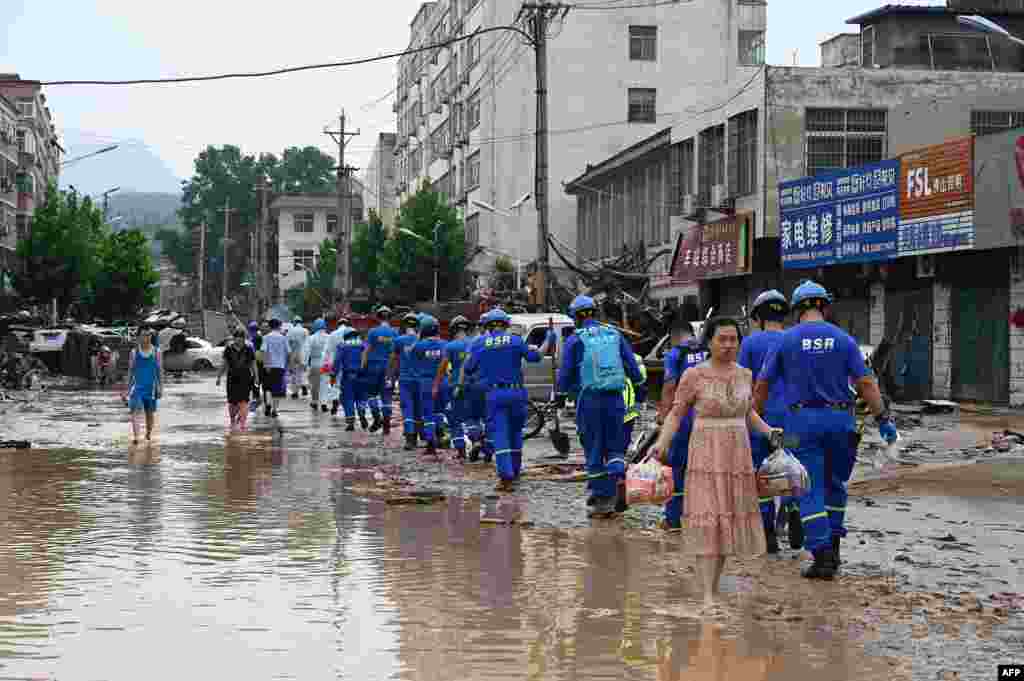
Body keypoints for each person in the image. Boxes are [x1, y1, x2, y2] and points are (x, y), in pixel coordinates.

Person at [755, 281, 898, 580]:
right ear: (825, 306)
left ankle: (822, 556)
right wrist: (884, 421)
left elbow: (763, 385)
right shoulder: (844, 340)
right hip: (841, 422)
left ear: (796, 310)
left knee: (808, 486)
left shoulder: (785, 341)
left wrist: (752, 417)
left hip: (802, 423)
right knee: (836, 485)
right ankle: (833, 544)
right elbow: (867, 384)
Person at [650, 316, 778, 613]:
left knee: (724, 523)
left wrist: (770, 432)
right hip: (706, 452)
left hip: (737, 453)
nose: (728, 345)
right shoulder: (695, 375)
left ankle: (713, 588)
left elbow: (748, 414)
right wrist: (663, 442)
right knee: (708, 520)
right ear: (709, 341)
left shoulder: (746, 375)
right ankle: (707, 594)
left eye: (733, 339)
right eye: (722, 339)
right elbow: (676, 413)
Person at [556, 295, 643, 517]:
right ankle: (618, 487)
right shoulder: (615, 335)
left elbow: (565, 374)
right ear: (595, 313)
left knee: (594, 447)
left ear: (575, 317)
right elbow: (633, 368)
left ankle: (602, 500)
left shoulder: (575, 340)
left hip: (589, 401)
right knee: (615, 448)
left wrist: (560, 394)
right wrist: (640, 390)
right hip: (616, 399)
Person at [465, 308, 555, 490]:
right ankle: (515, 470)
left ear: (488, 326)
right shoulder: (515, 340)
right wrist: (548, 339)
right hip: (517, 394)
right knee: (515, 433)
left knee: (500, 434)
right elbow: (536, 357)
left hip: (495, 395)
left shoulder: (480, 343)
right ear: (506, 325)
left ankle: (506, 477)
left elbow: (468, 368)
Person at [737, 289, 790, 554]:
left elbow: (741, 381)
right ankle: (794, 516)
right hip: (794, 417)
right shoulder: (793, 339)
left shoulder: (749, 344)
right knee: (792, 469)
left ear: (757, 317)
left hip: (760, 418)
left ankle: (768, 534)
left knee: (763, 474)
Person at [656, 316, 708, 531]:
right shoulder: (708, 350)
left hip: (684, 418)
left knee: (677, 467)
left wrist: (662, 416)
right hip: (709, 417)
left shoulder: (675, 354)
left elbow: (669, 388)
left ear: (673, 337)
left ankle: (674, 520)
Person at [434, 315, 472, 459]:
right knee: (474, 417)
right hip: (473, 386)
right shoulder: (475, 343)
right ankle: (478, 443)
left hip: (455, 386)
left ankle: (461, 452)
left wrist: (436, 385)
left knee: (454, 419)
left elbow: (442, 368)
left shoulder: (450, 346)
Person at [411, 314, 447, 456]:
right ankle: (441, 436)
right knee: (439, 411)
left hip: (425, 382)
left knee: (428, 413)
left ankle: (430, 441)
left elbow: (413, 361)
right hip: (442, 382)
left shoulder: (418, 346)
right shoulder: (445, 345)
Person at [122, 328, 163, 445]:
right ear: (139, 337)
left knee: (149, 414)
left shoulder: (157, 352)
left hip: (152, 387)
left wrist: (161, 387)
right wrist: (127, 389)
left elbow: (160, 370)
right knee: (135, 411)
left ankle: (148, 434)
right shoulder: (134, 352)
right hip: (137, 387)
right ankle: (136, 437)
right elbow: (130, 371)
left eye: (149, 335)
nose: (147, 337)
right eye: (145, 335)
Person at [361, 305, 398, 434]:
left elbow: (366, 351)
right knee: (387, 396)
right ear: (390, 317)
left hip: (373, 367)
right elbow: (397, 354)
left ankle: (377, 419)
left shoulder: (372, 332)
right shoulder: (395, 333)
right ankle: (386, 425)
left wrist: (362, 367)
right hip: (389, 369)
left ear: (378, 317)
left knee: (371, 394)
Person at [390, 312, 421, 451]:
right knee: (419, 409)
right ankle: (422, 436)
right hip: (420, 380)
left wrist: (391, 376)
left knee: (407, 408)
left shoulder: (399, 341)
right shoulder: (422, 341)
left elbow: (394, 360)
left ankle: (410, 438)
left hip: (405, 380)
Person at [217, 328, 256, 432]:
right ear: (234, 339)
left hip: (245, 377)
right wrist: (219, 376)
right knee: (232, 402)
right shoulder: (228, 349)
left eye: (241, 338)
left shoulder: (249, 349)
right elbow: (224, 363)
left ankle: (243, 424)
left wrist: (256, 376)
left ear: (244, 339)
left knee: (244, 401)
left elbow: (253, 364)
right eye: (237, 338)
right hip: (232, 377)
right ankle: (233, 420)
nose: (239, 340)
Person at [333, 327, 370, 431]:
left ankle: (350, 422)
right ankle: (362, 413)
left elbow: (337, 361)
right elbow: (368, 359)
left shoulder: (342, 346)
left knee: (348, 398)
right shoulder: (364, 345)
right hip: (362, 376)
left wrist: (333, 374)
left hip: (348, 376)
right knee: (361, 397)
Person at [321, 314, 349, 415]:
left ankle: (335, 401)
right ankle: (348, 408)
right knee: (348, 384)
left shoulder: (333, 334)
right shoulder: (353, 332)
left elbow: (326, 351)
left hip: (335, 363)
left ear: (338, 324)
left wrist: (325, 364)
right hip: (349, 363)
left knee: (335, 384)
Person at [261, 318, 290, 418]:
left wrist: (266, 364)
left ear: (270, 326)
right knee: (277, 389)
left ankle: (268, 404)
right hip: (280, 366)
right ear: (279, 326)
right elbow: (288, 352)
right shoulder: (283, 338)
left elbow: (264, 351)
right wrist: (287, 365)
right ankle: (275, 410)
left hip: (269, 366)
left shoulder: (266, 337)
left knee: (268, 387)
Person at [304, 319, 329, 411]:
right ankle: (324, 403)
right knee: (324, 384)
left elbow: (307, 352)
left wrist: (305, 363)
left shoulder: (311, 338)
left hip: (315, 364)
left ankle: (314, 402)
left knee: (314, 384)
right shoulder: (329, 337)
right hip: (326, 365)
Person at [287, 317, 310, 399]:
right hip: (303, 353)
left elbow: (288, 343)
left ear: (294, 322)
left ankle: (295, 392)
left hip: (293, 353)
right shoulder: (305, 331)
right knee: (302, 371)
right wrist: (307, 357)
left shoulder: (291, 330)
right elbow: (308, 344)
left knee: (294, 373)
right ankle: (303, 386)